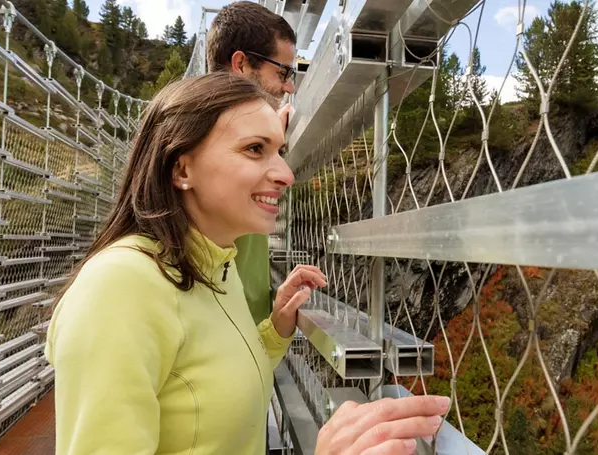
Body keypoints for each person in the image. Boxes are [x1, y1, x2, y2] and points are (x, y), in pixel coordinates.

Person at [46, 73, 450, 455]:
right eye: (255, 149)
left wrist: (275, 330)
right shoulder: (120, 288)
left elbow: (209, 382)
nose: (286, 174)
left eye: (280, 151)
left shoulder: (217, 267)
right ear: (182, 168)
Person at [207, 1, 298, 326]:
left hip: (250, 338)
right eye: (282, 72)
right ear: (242, 64)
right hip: (222, 341)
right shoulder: (198, 139)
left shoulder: (209, 133)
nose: (288, 87)